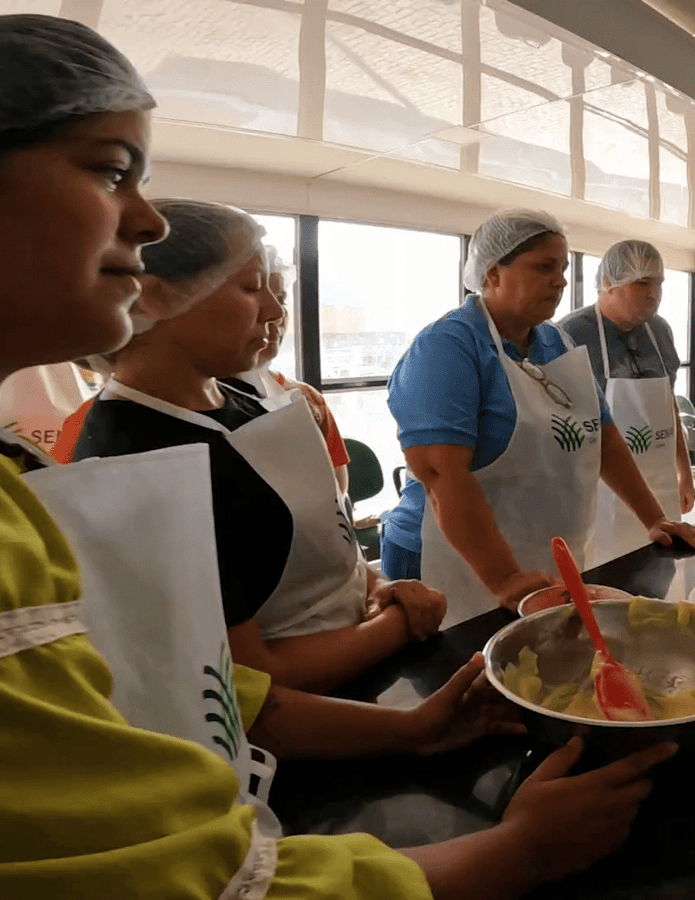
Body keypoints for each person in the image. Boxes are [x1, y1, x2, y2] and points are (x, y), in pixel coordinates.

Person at [0, 16, 675, 900]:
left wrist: (406, 733)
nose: (149, 219)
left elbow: (194, 684)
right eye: (107, 170)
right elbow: (148, 871)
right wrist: (502, 858)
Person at [73, 199, 434, 693]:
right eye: (250, 287)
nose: (274, 309)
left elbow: (328, 544)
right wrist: (398, 623)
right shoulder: (133, 458)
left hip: (365, 666)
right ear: (151, 299)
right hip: (307, 726)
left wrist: (382, 588)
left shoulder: (244, 396)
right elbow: (249, 676)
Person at [383, 209, 695, 626]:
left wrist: (655, 518)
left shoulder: (553, 340)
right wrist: (503, 577)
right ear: (492, 274)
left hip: (534, 554)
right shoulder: (448, 348)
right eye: (543, 267)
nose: (560, 280)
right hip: (451, 559)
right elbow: (441, 474)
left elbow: (604, 436)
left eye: (561, 267)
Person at [557, 239, 695, 565]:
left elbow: (668, 406)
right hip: (597, 491)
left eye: (658, 283)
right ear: (609, 283)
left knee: (659, 575)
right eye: (642, 283)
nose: (654, 293)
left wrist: (684, 472)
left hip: (659, 481)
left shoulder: (660, 332)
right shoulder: (570, 334)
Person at [222, 253, 352, 496]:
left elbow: (337, 490)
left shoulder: (306, 399)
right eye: (252, 296)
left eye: (281, 299)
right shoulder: (196, 401)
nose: (275, 314)